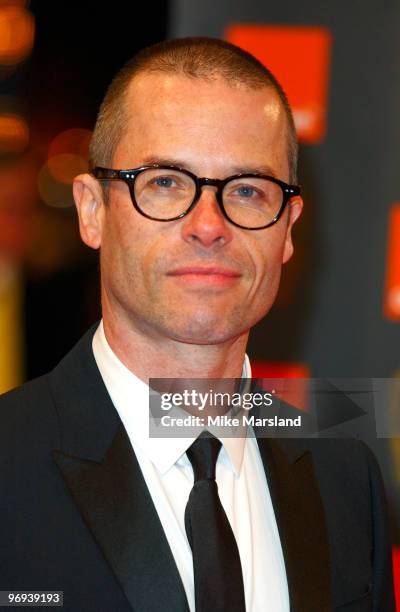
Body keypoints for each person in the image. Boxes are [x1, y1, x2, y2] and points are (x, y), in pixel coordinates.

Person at [0, 37, 395, 612]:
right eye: (164, 182)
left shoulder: (344, 479)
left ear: (287, 229)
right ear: (92, 211)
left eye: (247, 191)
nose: (208, 226)